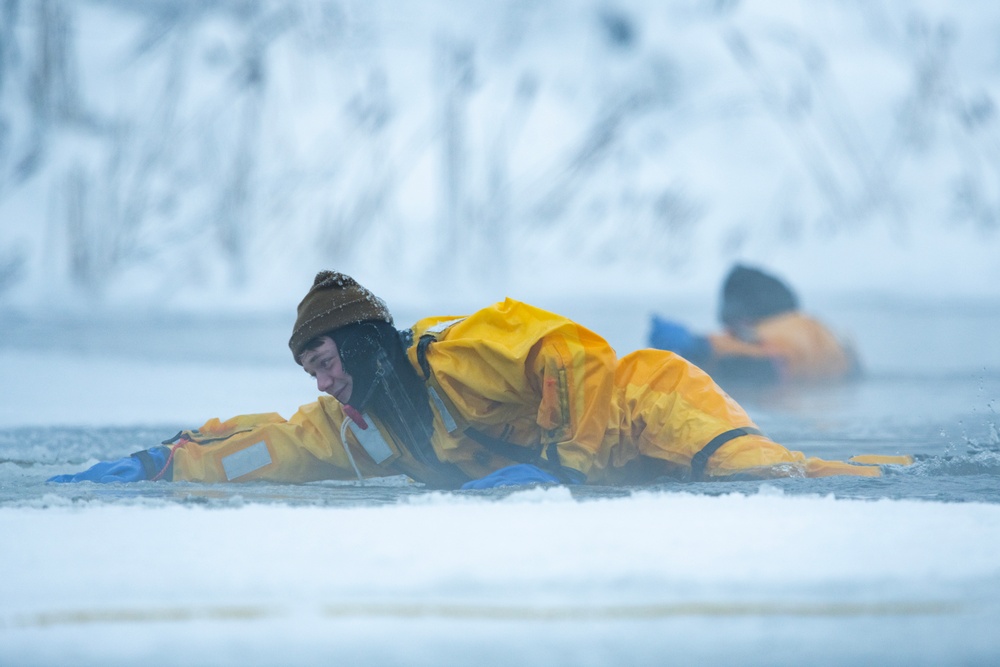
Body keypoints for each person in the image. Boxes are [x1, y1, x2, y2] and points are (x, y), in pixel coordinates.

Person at [50, 271, 906, 489]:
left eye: (327, 361)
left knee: (774, 480)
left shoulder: (456, 348)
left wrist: (561, 463)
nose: (323, 385)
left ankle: (892, 478)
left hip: (655, 410)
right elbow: (268, 450)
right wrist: (167, 463)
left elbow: (569, 354)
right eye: (310, 372)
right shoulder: (355, 425)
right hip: (607, 469)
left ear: (364, 341)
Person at [649, 264, 860, 386]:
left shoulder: (782, 331)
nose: (729, 333)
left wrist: (703, 347)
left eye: (733, 327)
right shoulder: (813, 329)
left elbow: (770, 361)